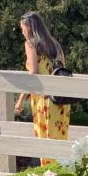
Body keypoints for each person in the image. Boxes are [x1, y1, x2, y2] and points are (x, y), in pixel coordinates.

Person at [13, 12, 70, 166]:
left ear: (29, 28)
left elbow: (33, 74)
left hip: (44, 99)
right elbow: (62, 68)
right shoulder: (55, 44)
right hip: (60, 100)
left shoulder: (31, 44)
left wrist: (20, 99)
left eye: (23, 29)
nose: (22, 32)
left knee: (45, 140)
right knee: (59, 139)